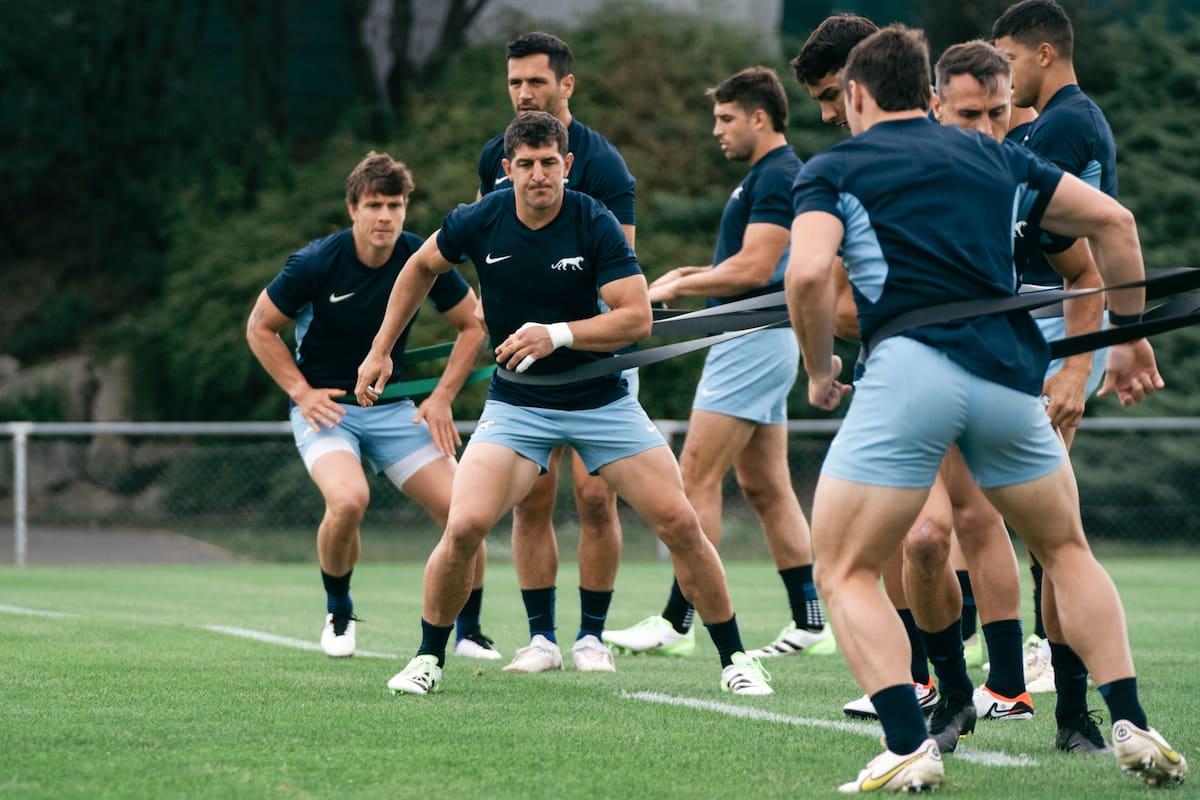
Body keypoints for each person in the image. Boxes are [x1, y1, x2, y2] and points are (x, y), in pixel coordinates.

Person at [786, 24, 1184, 791]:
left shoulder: (836, 165)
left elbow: (807, 278)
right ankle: (1130, 720)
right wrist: (1128, 334)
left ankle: (909, 741)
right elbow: (1116, 224)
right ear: (929, 97)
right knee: (1066, 551)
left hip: (910, 369)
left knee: (842, 568)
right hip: (1009, 379)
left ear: (858, 94)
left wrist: (817, 371)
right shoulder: (1001, 156)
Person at [358, 111, 773, 698]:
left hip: (602, 402)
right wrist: (380, 350)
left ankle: (736, 658)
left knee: (680, 522)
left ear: (567, 165)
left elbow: (637, 317)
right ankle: (427, 657)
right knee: (465, 525)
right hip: (518, 405)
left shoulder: (593, 219)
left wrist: (558, 334)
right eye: (524, 165)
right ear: (507, 170)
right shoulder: (480, 218)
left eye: (548, 163)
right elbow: (422, 265)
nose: (537, 176)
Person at [602, 67, 833, 660]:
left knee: (695, 477)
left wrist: (680, 282)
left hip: (751, 337)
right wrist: (690, 279)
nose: (716, 131)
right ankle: (810, 621)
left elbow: (757, 268)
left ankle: (678, 621)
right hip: (763, 340)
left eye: (725, 118)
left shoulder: (779, 174)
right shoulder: (766, 175)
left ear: (760, 118)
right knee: (766, 486)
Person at [246, 151, 490, 659]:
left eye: (395, 205)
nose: (385, 216)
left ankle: (468, 632)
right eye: (374, 204)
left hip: (393, 409)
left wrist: (443, 395)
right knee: (349, 500)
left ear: (406, 209)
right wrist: (301, 392)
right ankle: (339, 611)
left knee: (466, 513)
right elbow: (260, 327)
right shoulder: (316, 262)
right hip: (328, 410)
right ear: (352, 209)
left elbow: (475, 325)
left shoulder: (422, 257)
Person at [476, 32, 636, 673]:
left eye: (536, 82)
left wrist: (561, 331)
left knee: (596, 498)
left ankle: (591, 636)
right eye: (514, 82)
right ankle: (540, 638)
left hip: (591, 354)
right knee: (530, 498)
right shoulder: (497, 153)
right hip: (523, 361)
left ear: (566, 85)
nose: (523, 93)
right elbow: (491, 243)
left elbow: (619, 277)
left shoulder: (604, 164)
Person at [994, 0, 1117, 752]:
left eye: (1006, 58)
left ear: (1042, 53)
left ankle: (1074, 709)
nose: (1001, 77)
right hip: (1026, 326)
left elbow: (1069, 249)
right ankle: (1015, 681)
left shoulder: (1065, 125)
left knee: (1048, 532)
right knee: (1010, 525)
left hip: (1054, 326)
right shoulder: (1043, 126)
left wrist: (1083, 362)